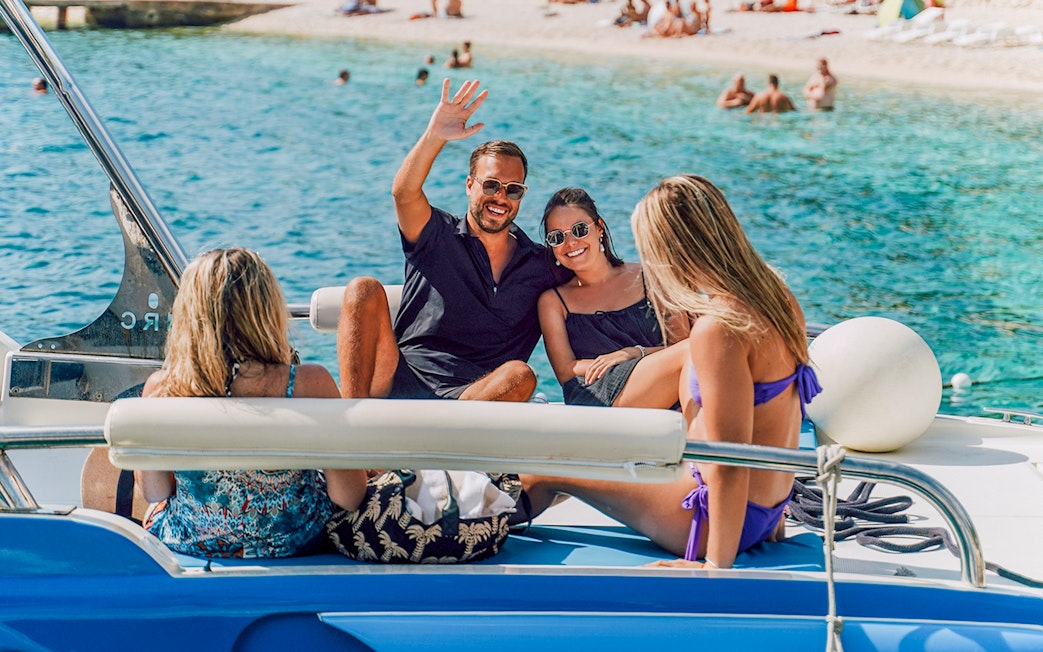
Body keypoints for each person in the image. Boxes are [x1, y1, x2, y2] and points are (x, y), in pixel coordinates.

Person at [518, 175, 821, 569]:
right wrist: (775, 523)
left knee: (546, 467)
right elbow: (784, 421)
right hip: (763, 513)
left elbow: (728, 457)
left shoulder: (717, 330)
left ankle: (451, 530)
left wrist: (714, 567)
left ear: (674, 247)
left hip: (712, 522)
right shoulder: (777, 298)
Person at [336, 79, 560, 402]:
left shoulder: (541, 265)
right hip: (400, 376)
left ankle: (445, 437)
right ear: (470, 184)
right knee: (362, 289)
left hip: (472, 398)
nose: (501, 197)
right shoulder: (435, 234)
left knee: (520, 375)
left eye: (513, 190)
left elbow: (597, 282)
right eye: (491, 185)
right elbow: (403, 193)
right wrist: (435, 137)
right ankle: (350, 425)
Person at [135, 248, 368, 558]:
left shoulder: (162, 389)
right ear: (268, 312)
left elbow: (155, 492)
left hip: (193, 547)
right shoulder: (310, 383)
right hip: (295, 546)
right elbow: (349, 496)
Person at [538, 187, 690, 408]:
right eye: (557, 237)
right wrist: (613, 365)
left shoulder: (653, 277)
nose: (570, 243)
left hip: (660, 387)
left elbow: (680, 344)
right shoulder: (553, 302)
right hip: (596, 396)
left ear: (599, 228)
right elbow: (565, 371)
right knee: (699, 350)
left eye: (579, 230)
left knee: (699, 350)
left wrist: (632, 354)